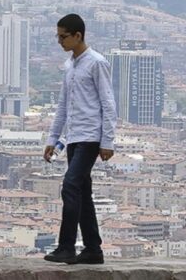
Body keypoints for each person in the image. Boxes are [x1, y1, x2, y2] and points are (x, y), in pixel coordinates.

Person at [43, 13, 117, 265]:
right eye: (58, 36)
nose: (60, 41)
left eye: (63, 37)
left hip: (90, 136)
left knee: (71, 186)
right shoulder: (70, 66)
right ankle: (93, 249)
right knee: (83, 192)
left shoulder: (96, 63)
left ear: (78, 35)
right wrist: (52, 139)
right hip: (74, 136)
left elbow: (108, 103)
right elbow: (63, 105)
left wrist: (108, 141)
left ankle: (66, 246)